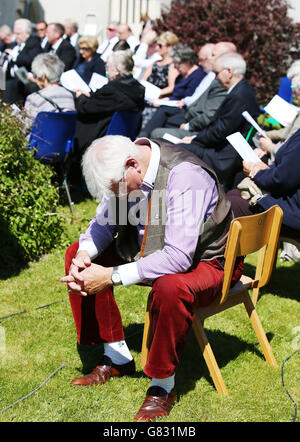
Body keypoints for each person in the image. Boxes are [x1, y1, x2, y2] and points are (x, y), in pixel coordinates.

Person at [61, 134, 244, 421]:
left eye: (116, 190)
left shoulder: (185, 178)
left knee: (170, 287)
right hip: (155, 249)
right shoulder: (129, 168)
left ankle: (162, 386)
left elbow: (179, 258)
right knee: (77, 254)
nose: (118, 197)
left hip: (209, 260)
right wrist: (85, 254)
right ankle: (117, 355)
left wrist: (111, 276)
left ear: (133, 165)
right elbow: (104, 224)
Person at [176, 51, 260, 191]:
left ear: (229, 71)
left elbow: (220, 130)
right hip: (220, 149)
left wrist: (194, 140)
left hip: (225, 156)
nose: (215, 77)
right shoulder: (239, 91)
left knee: (176, 149)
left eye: (216, 73)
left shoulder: (240, 95)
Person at [69, 50, 145, 185]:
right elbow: (102, 103)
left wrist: (80, 96)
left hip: (99, 134)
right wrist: (91, 95)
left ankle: (72, 178)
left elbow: (86, 108)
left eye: (108, 67)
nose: (106, 70)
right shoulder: (137, 89)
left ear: (116, 71)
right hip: (123, 133)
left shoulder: (113, 90)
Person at [147, 44, 227, 139]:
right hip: (187, 110)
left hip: (191, 116)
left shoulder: (207, 78)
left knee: (160, 124)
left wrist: (189, 125)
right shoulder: (207, 76)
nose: (200, 63)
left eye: (213, 56)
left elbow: (207, 113)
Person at [139, 44, 206, 137]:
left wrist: (162, 102)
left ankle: (144, 135)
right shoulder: (181, 76)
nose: (175, 67)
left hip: (183, 109)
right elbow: (174, 95)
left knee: (162, 110)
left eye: (177, 64)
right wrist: (161, 100)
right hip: (172, 104)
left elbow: (187, 97)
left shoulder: (198, 76)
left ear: (187, 62)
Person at [255, 61, 300, 163]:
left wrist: (269, 147)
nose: (292, 93)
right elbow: (287, 132)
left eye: (293, 88)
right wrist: (266, 135)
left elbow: (290, 152)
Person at [24, 53, 75, 123]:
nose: (35, 79)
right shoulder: (69, 95)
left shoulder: (33, 99)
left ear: (43, 77)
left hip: (42, 133)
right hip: (65, 134)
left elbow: (26, 127)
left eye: (35, 76)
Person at [2, 18, 43, 104]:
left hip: (25, 80)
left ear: (27, 34)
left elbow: (29, 60)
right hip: (8, 77)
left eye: (18, 34)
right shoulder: (14, 44)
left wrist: (14, 55)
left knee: (9, 86)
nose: (16, 36)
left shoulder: (34, 43)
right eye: (15, 33)